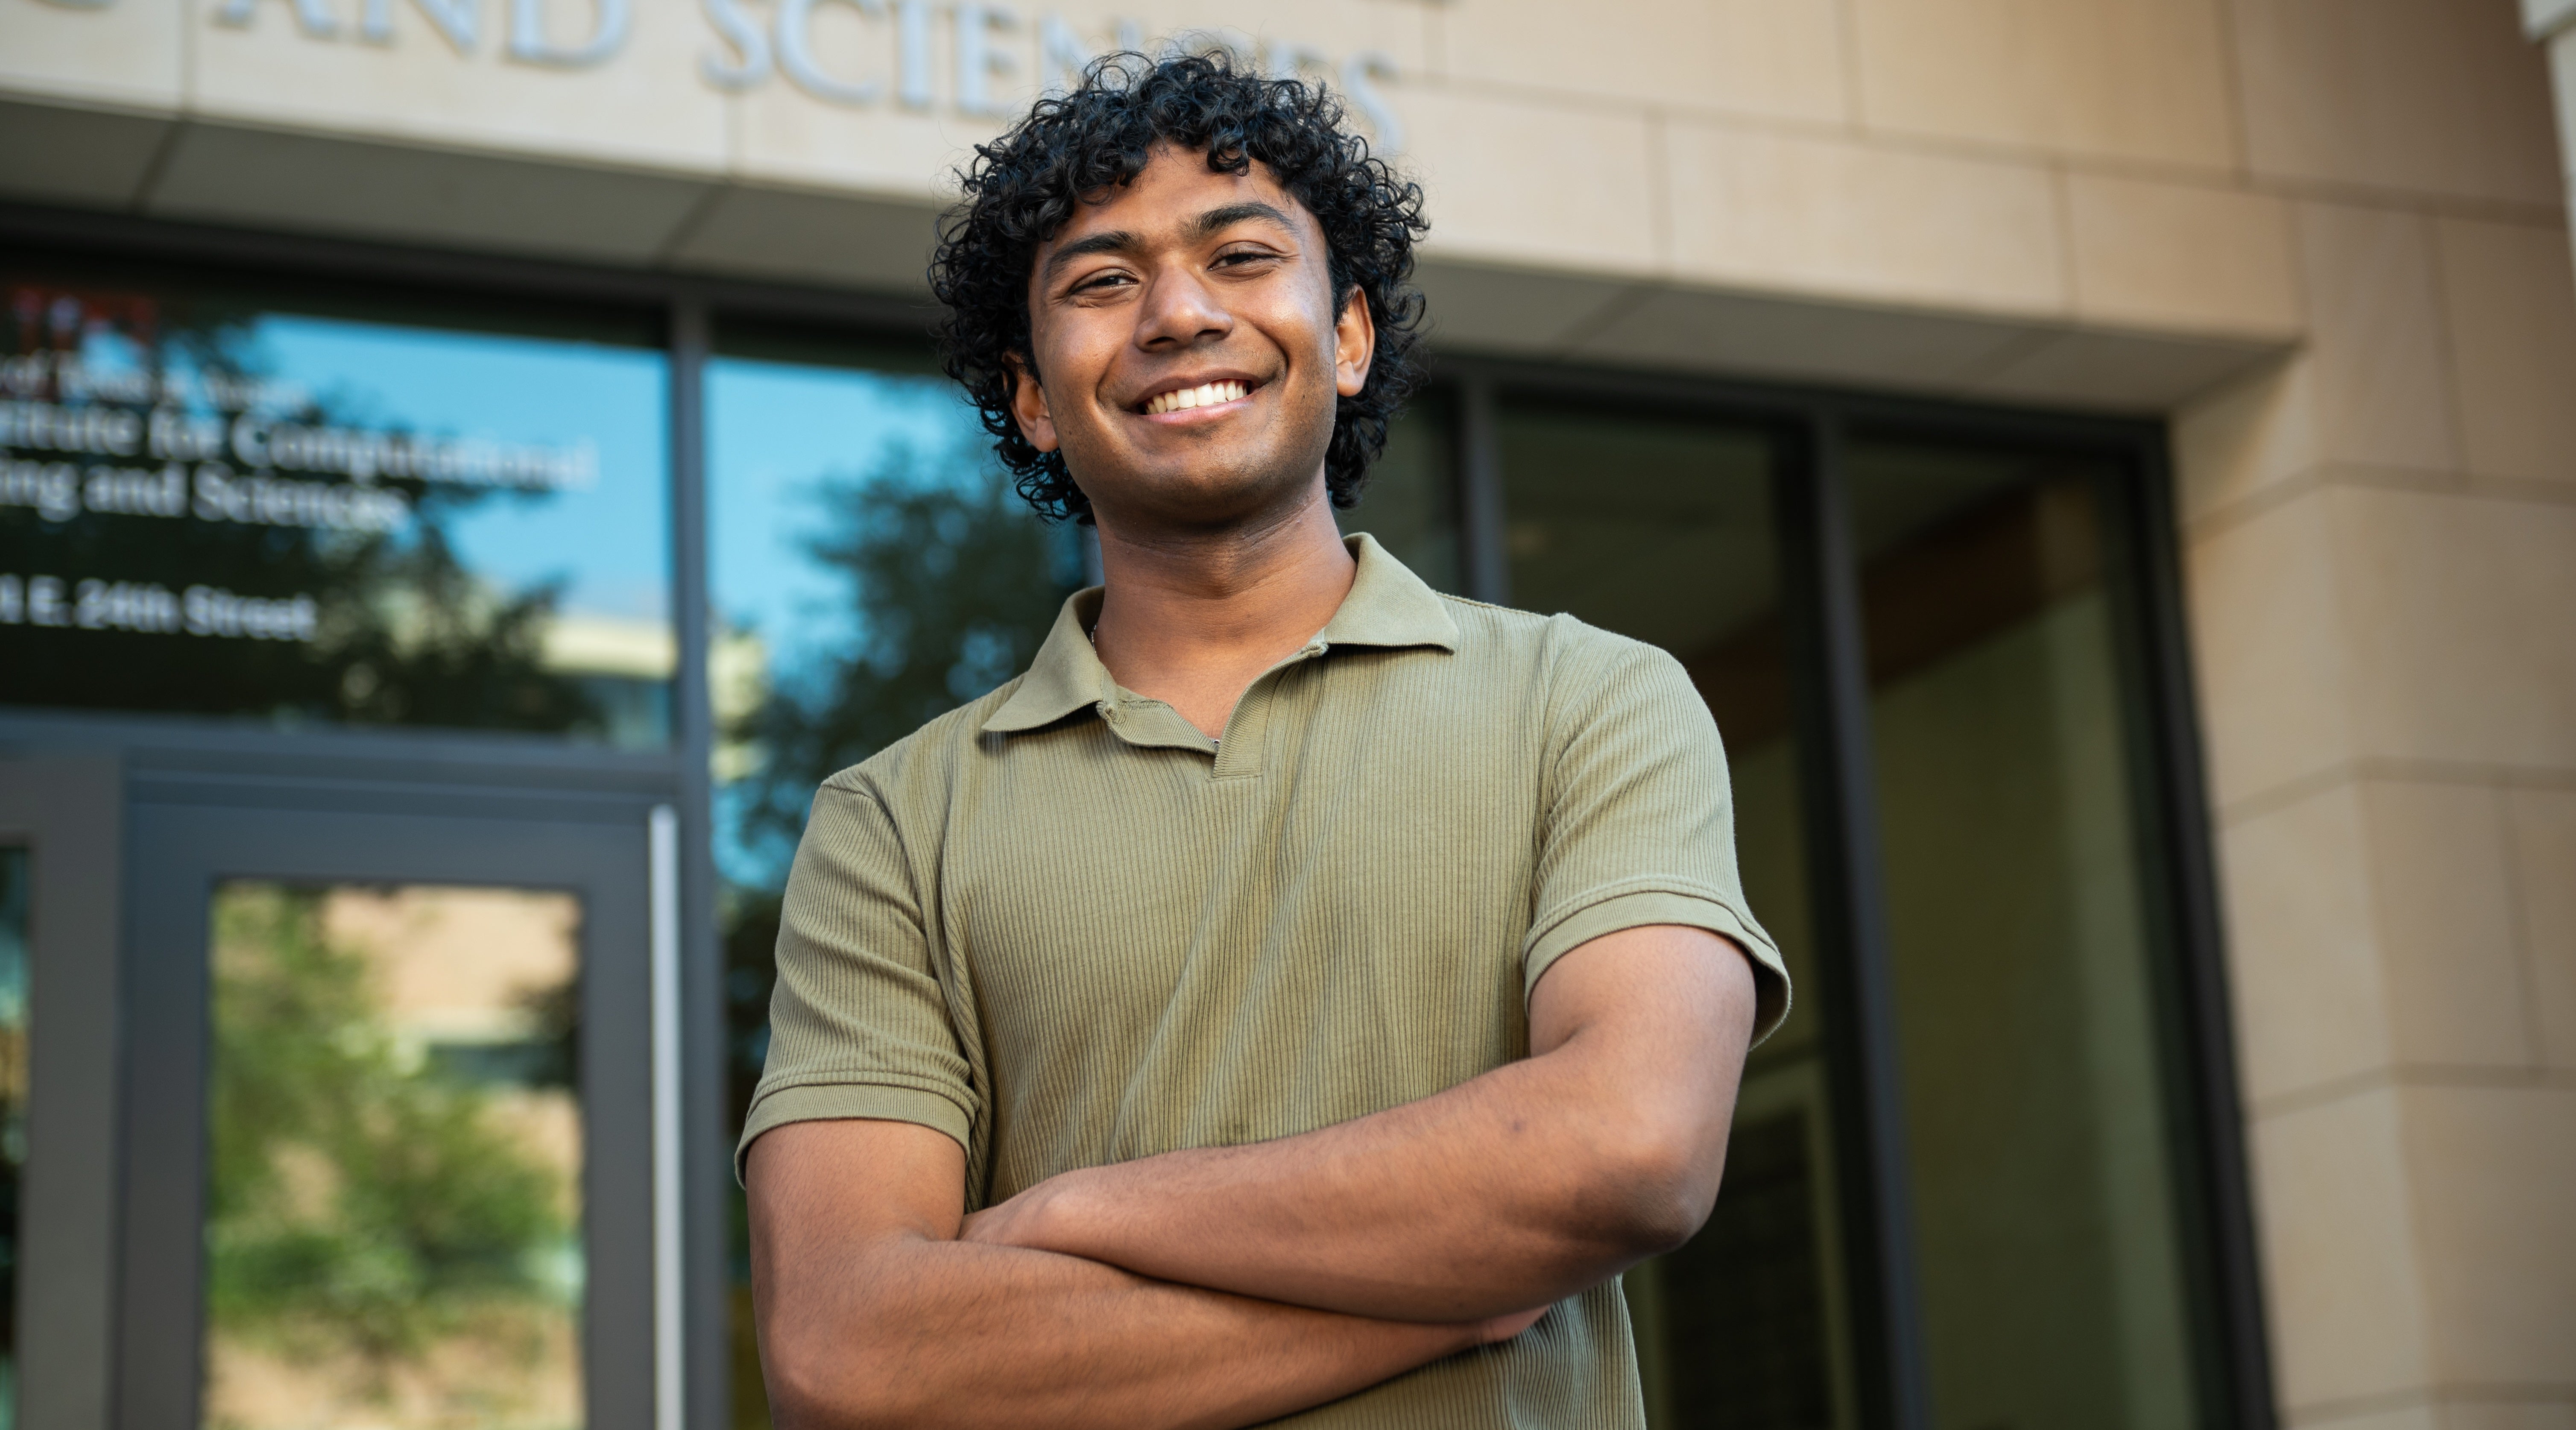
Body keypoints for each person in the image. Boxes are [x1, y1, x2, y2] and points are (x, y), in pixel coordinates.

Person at [739, 50, 1790, 1430]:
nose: (1178, 311)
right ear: (1037, 396)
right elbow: (848, 1352)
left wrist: (1074, 1210)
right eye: (1103, 282)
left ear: (1346, 335)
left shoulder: (1590, 700)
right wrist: (1456, 1275)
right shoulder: (891, 822)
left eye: (1240, 254)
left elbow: (1630, 1151)